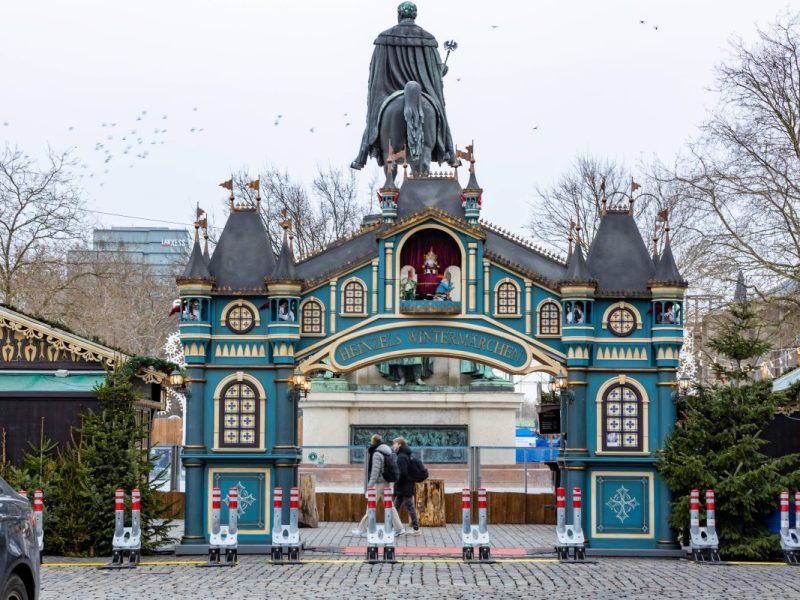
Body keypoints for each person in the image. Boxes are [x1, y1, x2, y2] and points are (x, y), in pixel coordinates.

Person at [351, 2, 456, 170]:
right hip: (424, 91)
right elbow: (435, 73)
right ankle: (450, 153)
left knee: (374, 117)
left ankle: (362, 154)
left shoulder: (383, 38)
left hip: (388, 91)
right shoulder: (428, 39)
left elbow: (375, 72)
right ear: (415, 15)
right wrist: (441, 70)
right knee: (441, 114)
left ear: (399, 15)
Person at [352, 434, 405, 537]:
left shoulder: (377, 453)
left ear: (373, 442)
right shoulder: (388, 451)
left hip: (379, 483)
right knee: (390, 506)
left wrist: (370, 486)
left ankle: (361, 529)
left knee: (371, 506)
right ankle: (400, 529)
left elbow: (375, 472)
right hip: (388, 482)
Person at [392, 437, 421, 535]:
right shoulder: (406, 454)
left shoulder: (401, 456)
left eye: (394, 443)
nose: (393, 445)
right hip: (406, 485)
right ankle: (395, 528)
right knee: (395, 507)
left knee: (408, 506)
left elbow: (403, 473)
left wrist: (397, 483)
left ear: (399, 444)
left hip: (404, 486)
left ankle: (416, 529)